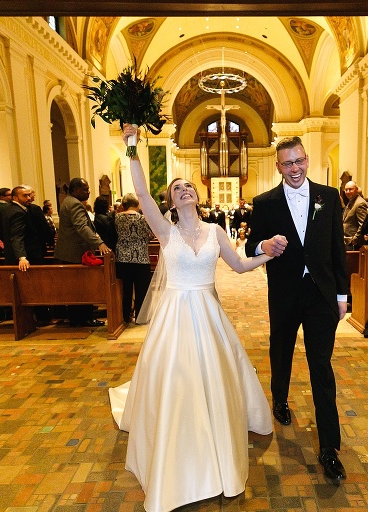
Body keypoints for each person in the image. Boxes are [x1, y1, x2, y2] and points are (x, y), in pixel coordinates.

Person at [109, 124, 273, 512]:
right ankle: (177, 440)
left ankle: (214, 438)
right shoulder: (165, 231)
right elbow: (142, 191)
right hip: (176, 313)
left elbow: (239, 266)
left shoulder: (216, 230)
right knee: (177, 377)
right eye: (177, 188)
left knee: (213, 376)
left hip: (208, 312)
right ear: (171, 201)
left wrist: (268, 253)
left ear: (197, 195)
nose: (185, 190)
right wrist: (131, 144)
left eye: (189, 187)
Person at [246, 136, 348, 482]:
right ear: (278, 166)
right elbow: (248, 244)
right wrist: (263, 244)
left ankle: (329, 448)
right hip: (285, 293)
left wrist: (342, 294)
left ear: (308, 160)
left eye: (300, 161)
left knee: (321, 365)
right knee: (282, 350)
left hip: (321, 294)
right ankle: (279, 398)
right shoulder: (265, 202)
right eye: (288, 163)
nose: (295, 169)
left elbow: (338, 248)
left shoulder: (328, 196)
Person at [54, 178, 111, 327]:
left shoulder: (68, 201)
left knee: (76, 288)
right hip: (74, 253)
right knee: (81, 288)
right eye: (85, 189)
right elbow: (81, 227)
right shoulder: (74, 204)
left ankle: (79, 318)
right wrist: (99, 243)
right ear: (75, 190)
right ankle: (82, 319)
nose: (88, 191)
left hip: (69, 252)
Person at [114, 193, 153, 324]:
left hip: (123, 258)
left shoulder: (117, 218)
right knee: (141, 289)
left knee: (126, 289)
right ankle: (140, 317)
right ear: (137, 204)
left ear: (124, 205)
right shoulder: (142, 219)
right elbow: (152, 233)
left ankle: (125, 317)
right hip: (141, 258)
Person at [0, 185, 46, 270]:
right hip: (26, 257)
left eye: (29, 195)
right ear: (15, 198)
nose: (28, 198)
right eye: (25, 196)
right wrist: (22, 257)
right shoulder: (18, 212)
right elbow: (17, 236)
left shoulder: (10, 208)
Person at [342, 180, 367, 250]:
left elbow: (363, 224)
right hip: (346, 241)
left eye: (350, 189)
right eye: (346, 190)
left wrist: (355, 239)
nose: (347, 192)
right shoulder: (352, 201)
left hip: (352, 243)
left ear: (356, 189)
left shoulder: (360, 203)